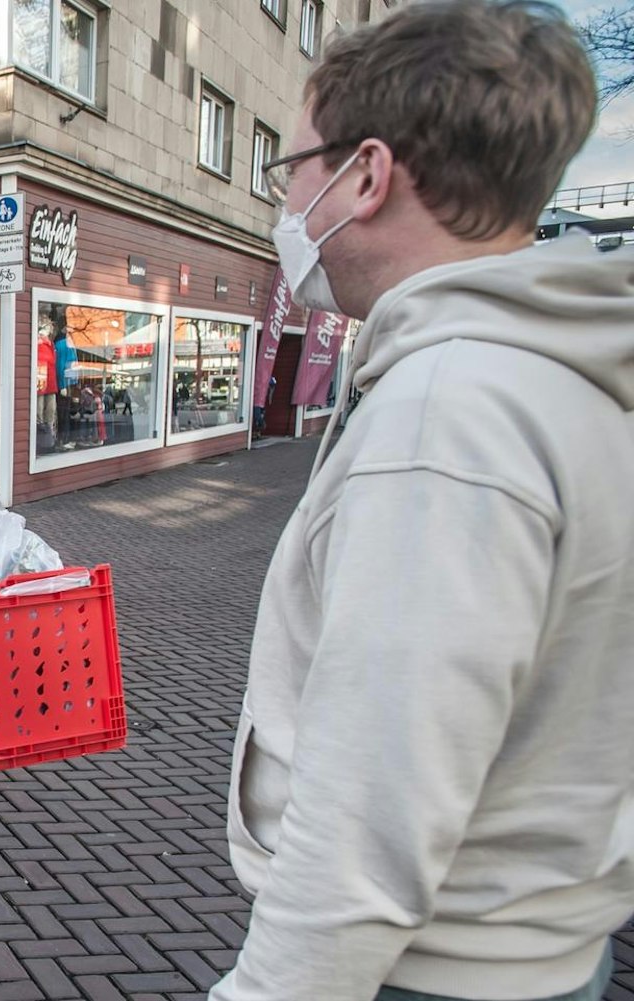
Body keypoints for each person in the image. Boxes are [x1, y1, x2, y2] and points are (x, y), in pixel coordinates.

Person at [212, 3, 634, 1000]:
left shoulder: (443, 416)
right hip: (533, 947)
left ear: (365, 175)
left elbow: (367, 820)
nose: (286, 202)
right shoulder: (564, 381)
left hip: (427, 972)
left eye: (292, 167)